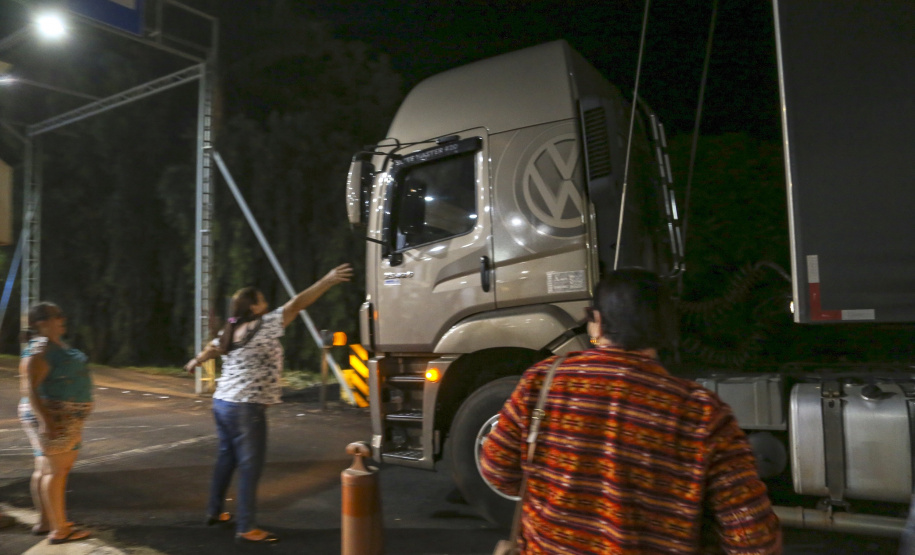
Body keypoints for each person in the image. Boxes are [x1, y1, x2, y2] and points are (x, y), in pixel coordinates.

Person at [480, 269, 782, 554]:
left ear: (597, 322)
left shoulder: (543, 383)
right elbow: (752, 538)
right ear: (664, 329)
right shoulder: (701, 413)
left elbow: (497, 469)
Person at [185, 263, 353, 544]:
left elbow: (212, 348)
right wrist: (327, 280)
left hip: (223, 403)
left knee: (227, 458)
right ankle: (246, 527)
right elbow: (297, 303)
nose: (266, 303)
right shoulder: (265, 324)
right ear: (253, 307)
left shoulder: (231, 329)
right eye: (262, 300)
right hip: (245, 406)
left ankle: (214, 511)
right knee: (250, 466)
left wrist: (196, 361)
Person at [18, 302, 93, 544]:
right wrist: (46, 421)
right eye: (56, 316)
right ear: (41, 323)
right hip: (55, 416)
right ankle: (60, 530)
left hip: (56, 415)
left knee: (44, 469)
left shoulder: (47, 344)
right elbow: (30, 387)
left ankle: (46, 522)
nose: (62, 319)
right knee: (57, 471)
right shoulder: (41, 347)